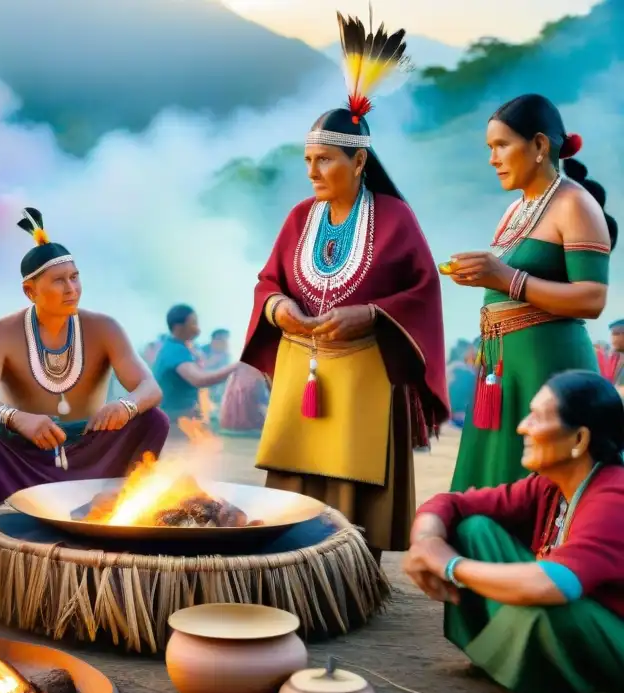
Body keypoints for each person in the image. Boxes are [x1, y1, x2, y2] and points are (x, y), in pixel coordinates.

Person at [240, 14, 449, 561]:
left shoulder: (397, 218)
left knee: (355, 489)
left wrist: (374, 315)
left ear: (359, 161)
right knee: (294, 487)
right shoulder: (297, 217)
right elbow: (268, 280)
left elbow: (424, 289)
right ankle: (287, 563)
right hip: (300, 365)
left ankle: (351, 573)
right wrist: (278, 305)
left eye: (325, 159)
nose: (313, 171)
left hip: (364, 375)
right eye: (308, 160)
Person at [404, 370, 624, 693]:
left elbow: (555, 585)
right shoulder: (549, 486)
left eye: (536, 417)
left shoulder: (614, 495)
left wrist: (450, 565)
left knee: (540, 609)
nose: (522, 427)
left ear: (579, 439)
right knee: (473, 529)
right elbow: (454, 504)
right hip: (581, 618)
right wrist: (426, 542)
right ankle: (510, 662)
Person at [446, 94, 615, 492]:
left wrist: (505, 279)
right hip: (503, 370)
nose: (493, 158)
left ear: (539, 145)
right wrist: (480, 275)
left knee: (537, 488)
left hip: (548, 366)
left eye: (502, 145)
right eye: (490, 148)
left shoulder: (576, 204)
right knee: (492, 484)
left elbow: (592, 298)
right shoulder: (514, 209)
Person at [0, 207, 169, 505]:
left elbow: (150, 388)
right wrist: (19, 419)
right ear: (29, 291)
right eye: (59, 280)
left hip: (92, 449)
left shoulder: (104, 327)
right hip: (24, 452)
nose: (71, 289)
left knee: (153, 421)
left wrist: (126, 406)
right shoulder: (1, 331)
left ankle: (113, 501)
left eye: (75, 277)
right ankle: (23, 502)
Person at [153, 305, 238, 425]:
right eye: (193, 323)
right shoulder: (175, 350)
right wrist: (237, 367)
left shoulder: (187, 347)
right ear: (178, 327)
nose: (198, 329)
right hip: (174, 420)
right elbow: (199, 379)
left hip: (185, 415)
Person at [218, 362, 270, 435]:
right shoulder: (255, 379)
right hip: (251, 430)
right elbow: (265, 408)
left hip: (229, 428)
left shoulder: (236, 374)